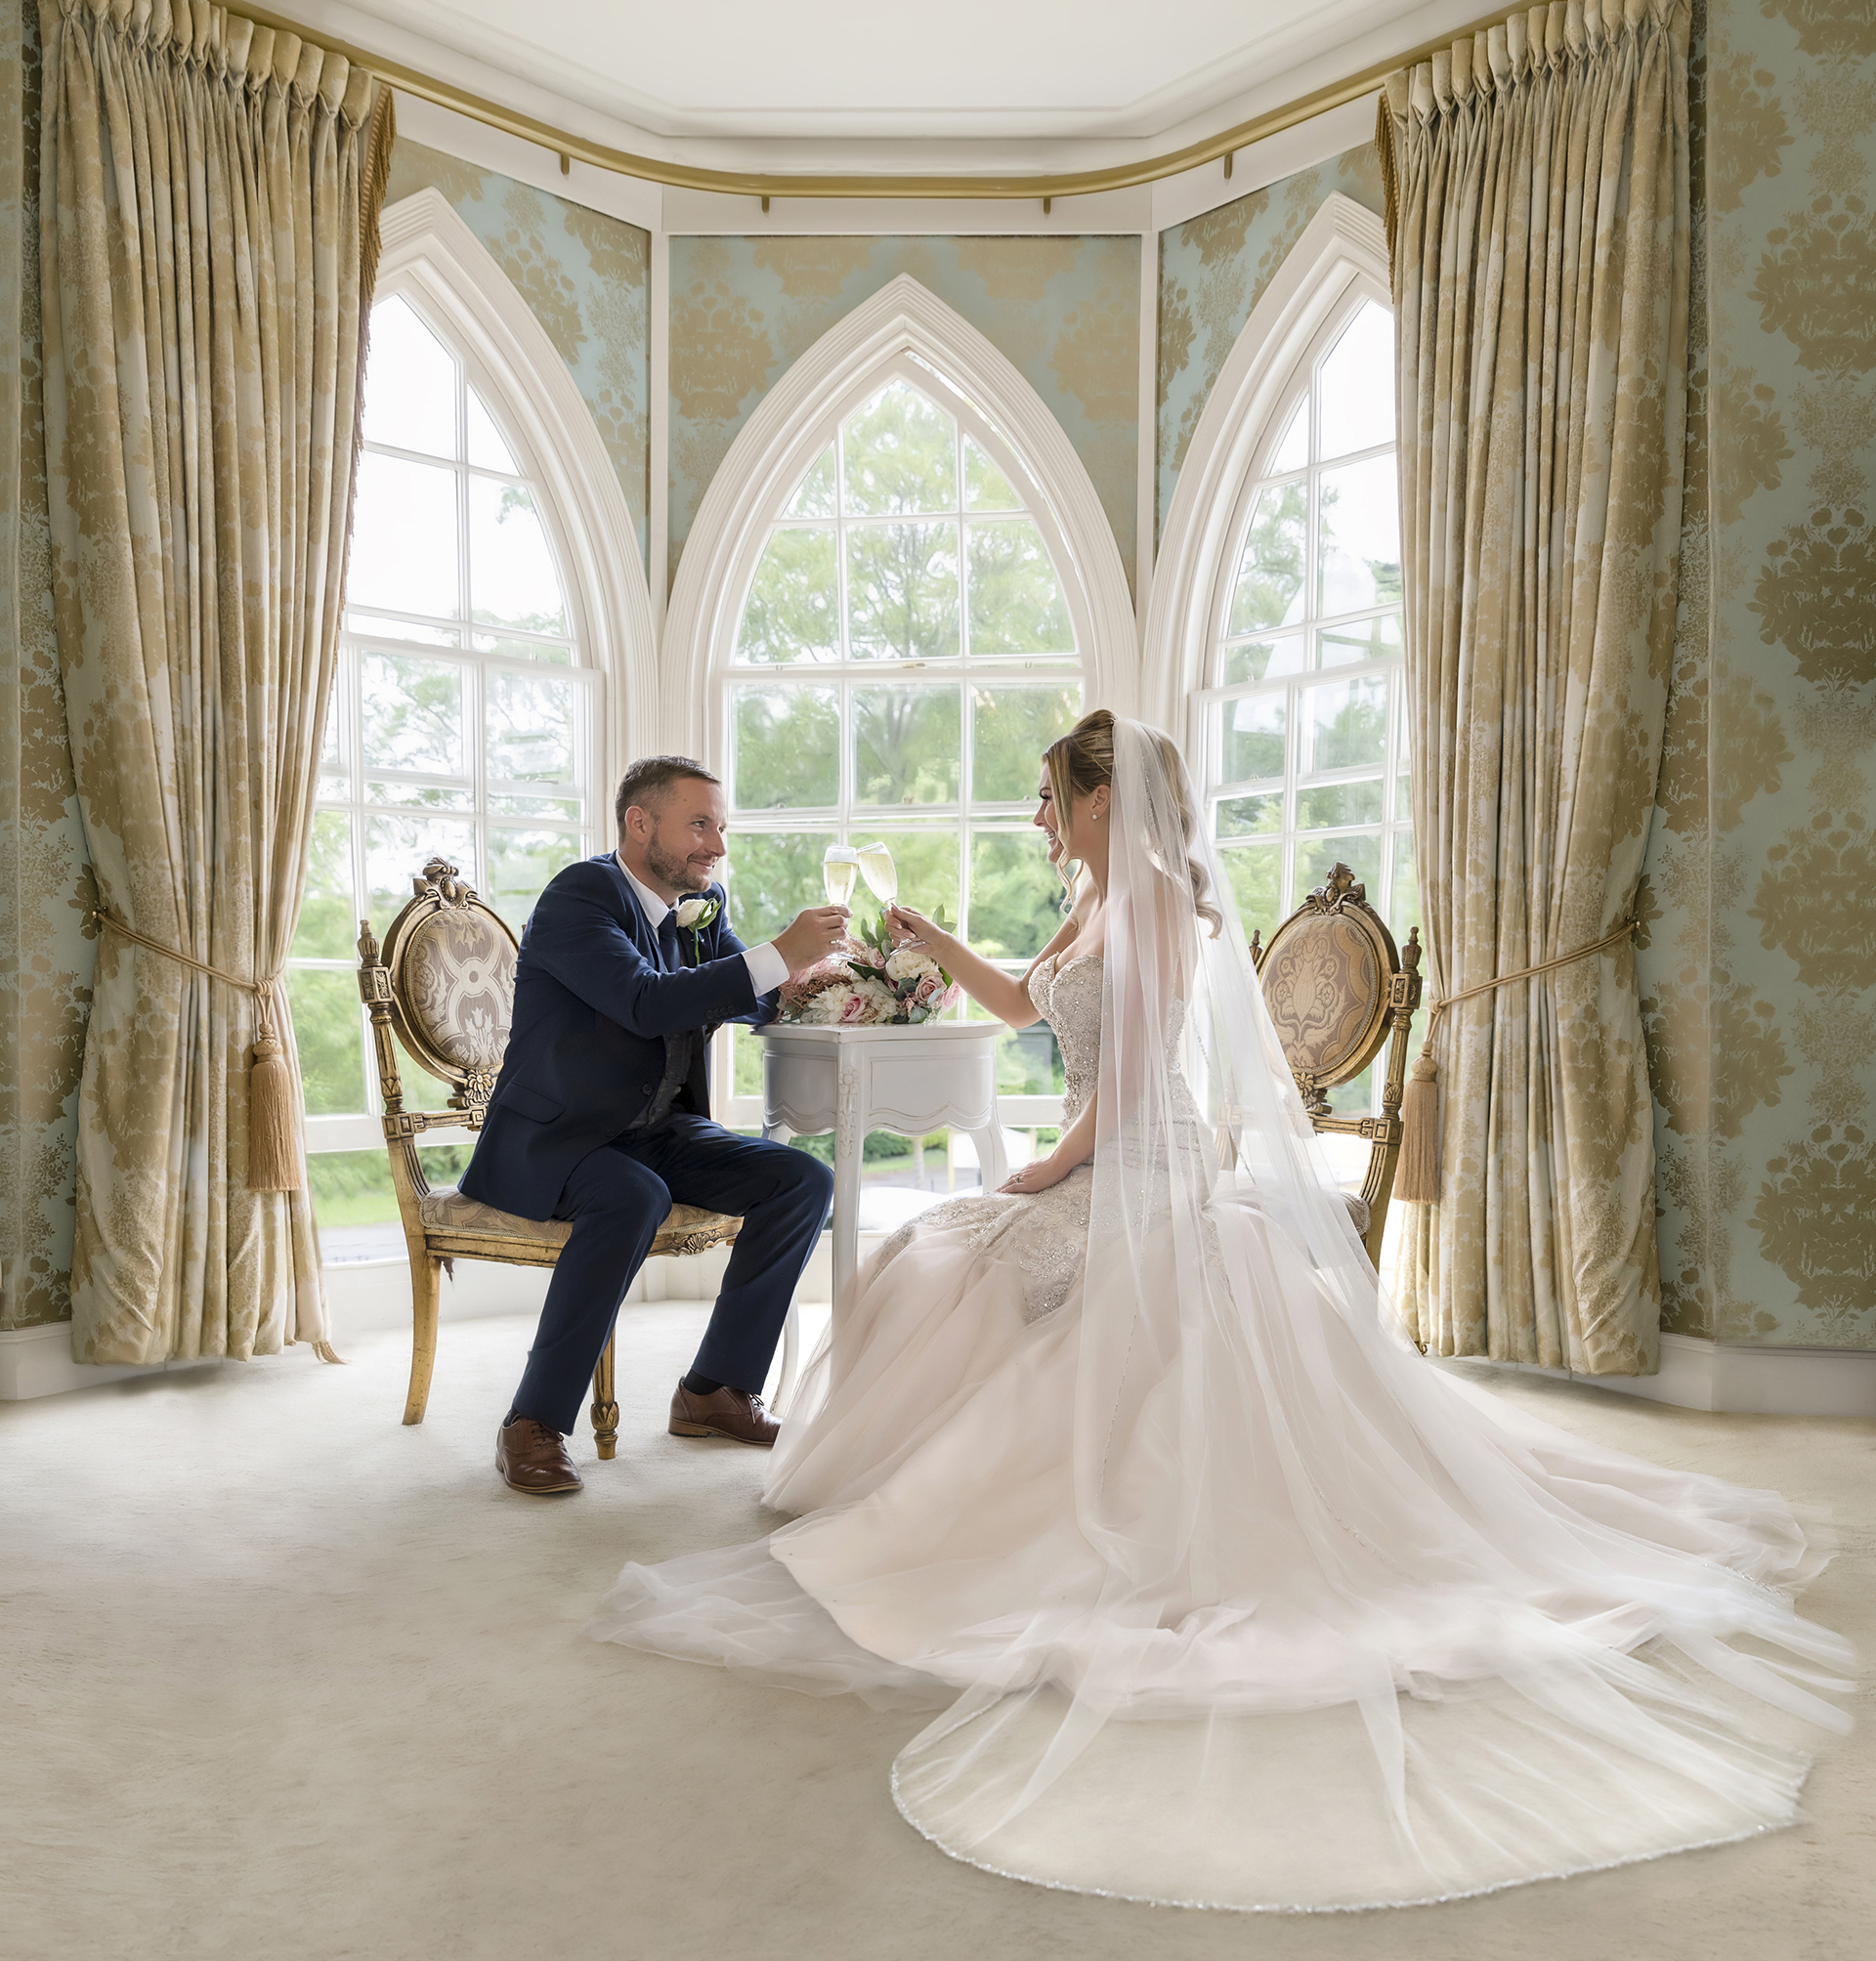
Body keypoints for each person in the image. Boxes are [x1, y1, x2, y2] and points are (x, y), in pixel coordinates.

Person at [589, 714, 1852, 1911]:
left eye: (1046, 796)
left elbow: (1136, 1077)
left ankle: (979, 1512)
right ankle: (899, 1485)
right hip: (1102, 1152)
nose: (1037, 817)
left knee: (955, 1265)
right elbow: (1034, 1009)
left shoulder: (1159, 904)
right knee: (924, 1260)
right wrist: (934, 940)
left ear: (1097, 798)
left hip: (1143, 1163)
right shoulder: (1091, 899)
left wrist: (1046, 1167)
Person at [460, 754, 849, 1498]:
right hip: (558, 1136)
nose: (718, 845)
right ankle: (531, 1423)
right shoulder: (581, 894)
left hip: (652, 1130)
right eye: (699, 824)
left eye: (721, 826)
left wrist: (819, 977)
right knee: (631, 1194)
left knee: (802, 1179)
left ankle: (715, 1389)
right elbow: (644, 1001)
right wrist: (777, 955)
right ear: (640, 824)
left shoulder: (703, 903)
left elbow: (749, 996)